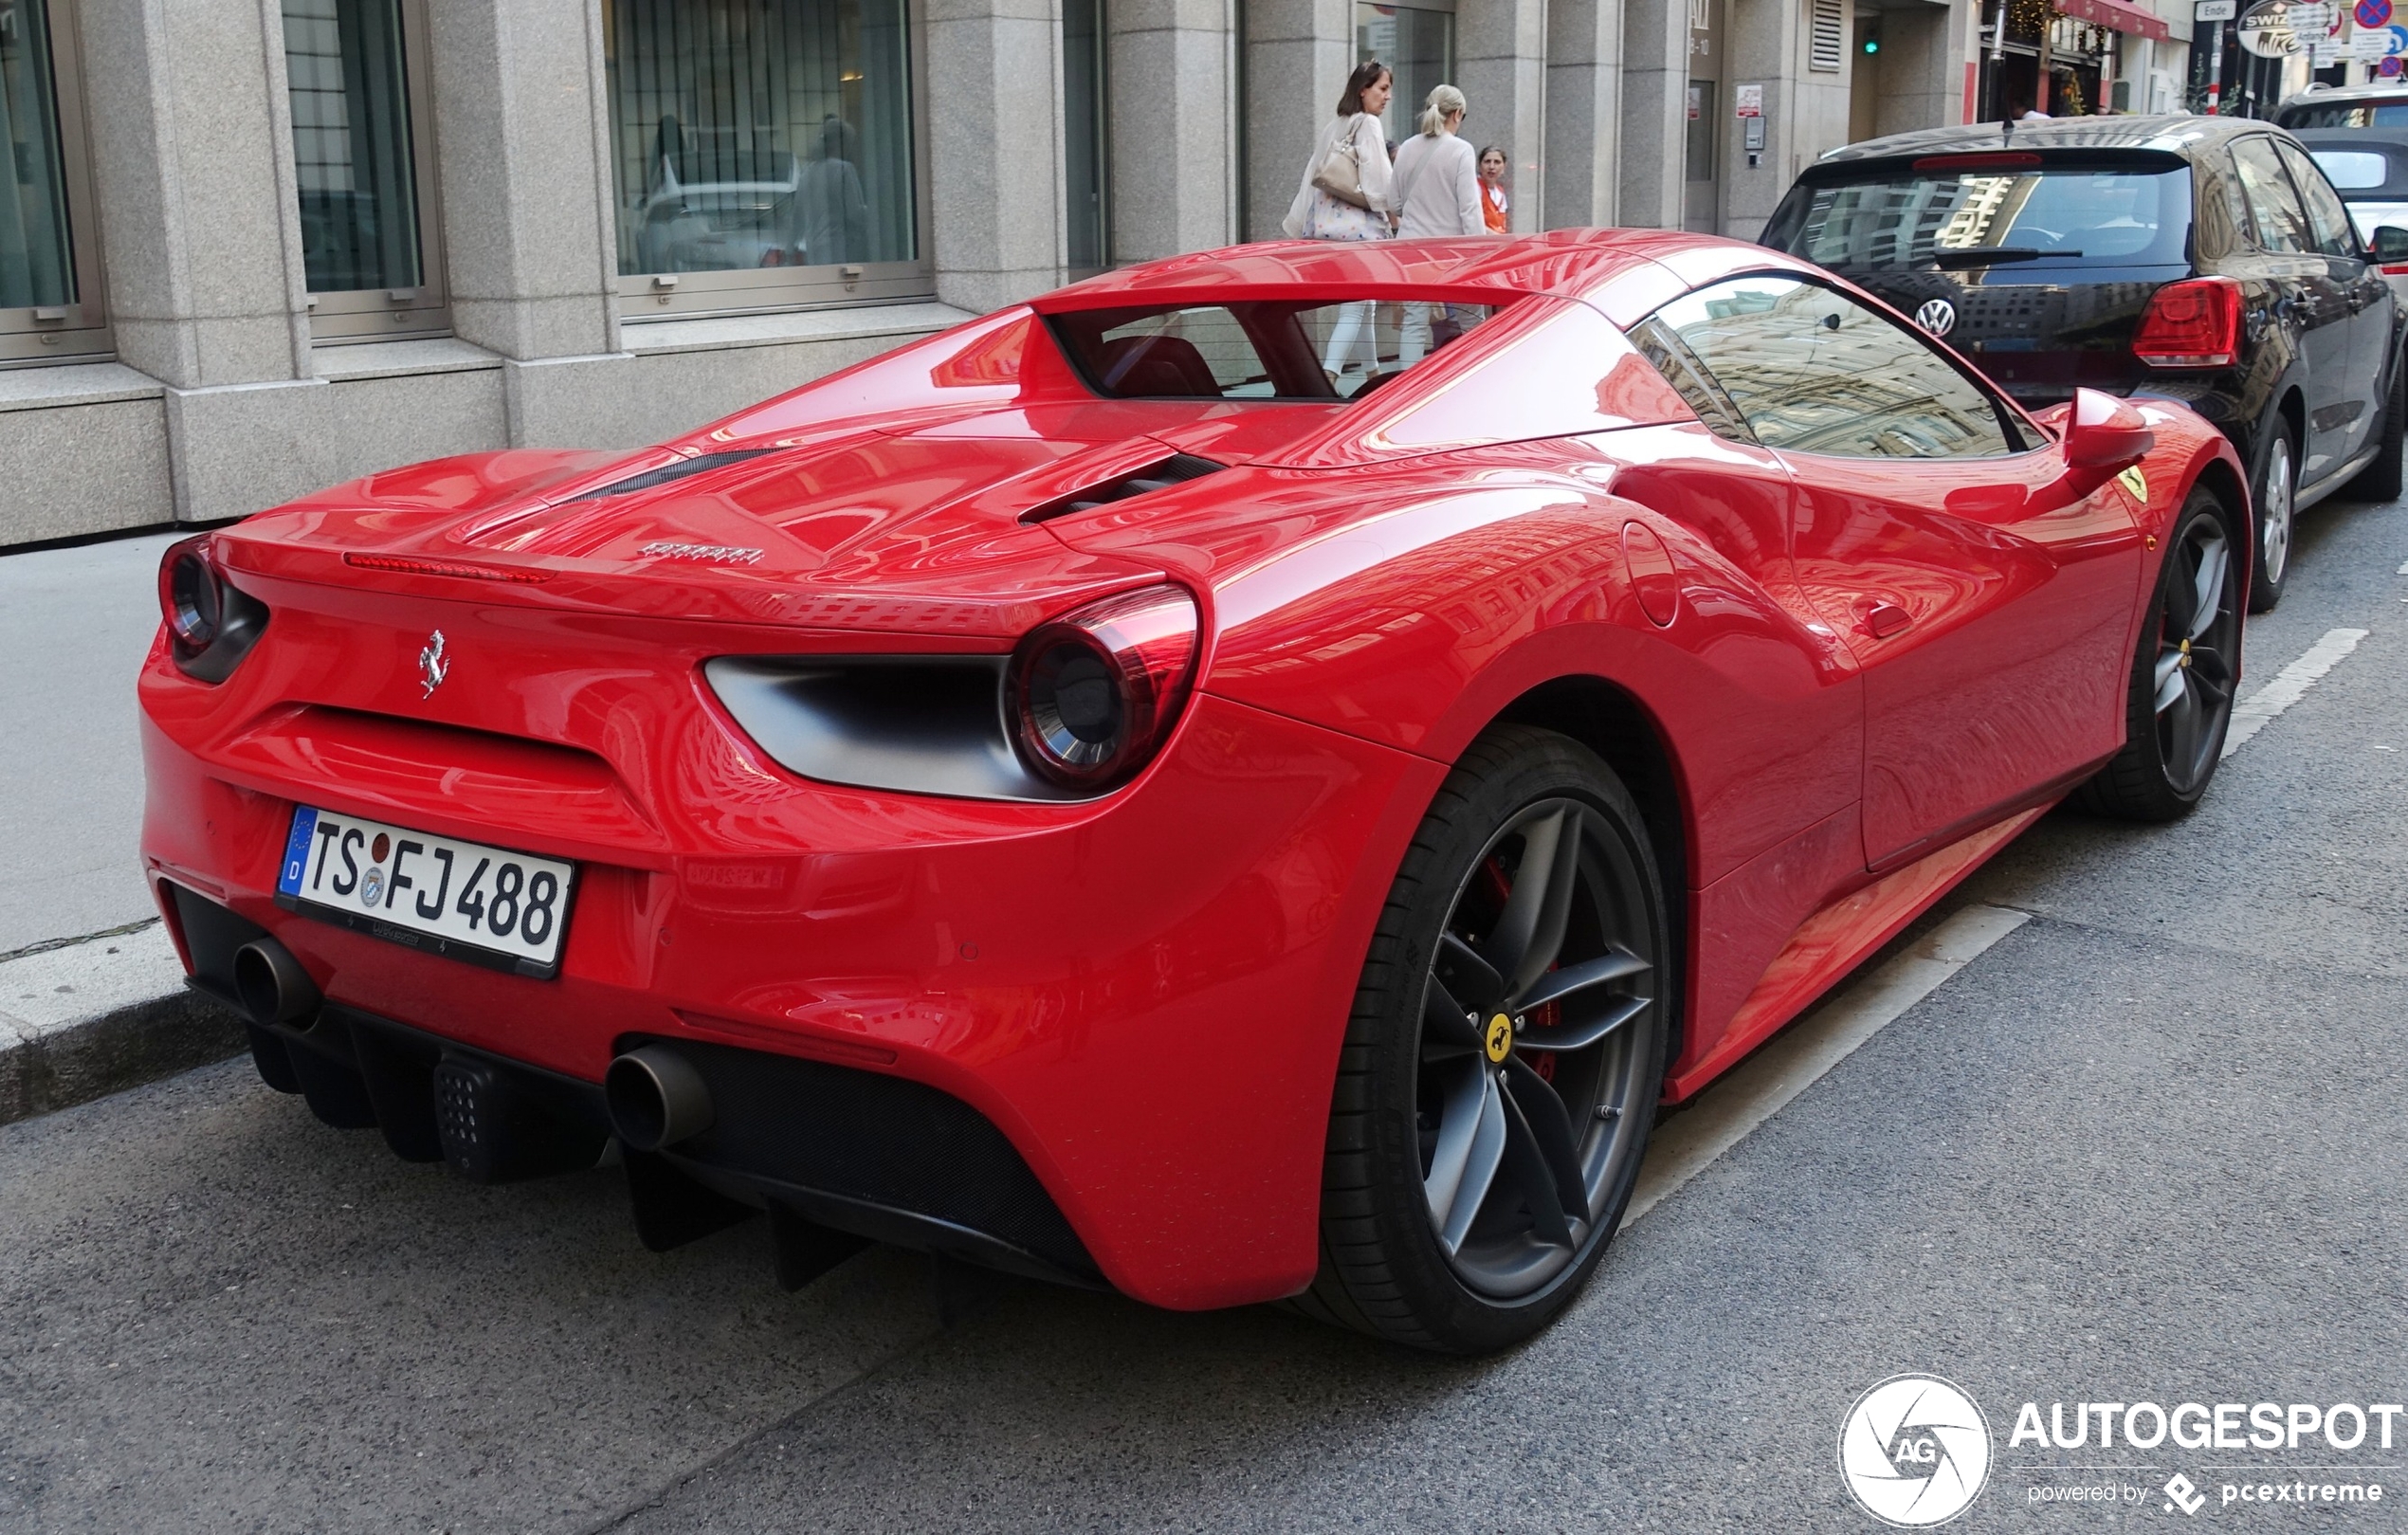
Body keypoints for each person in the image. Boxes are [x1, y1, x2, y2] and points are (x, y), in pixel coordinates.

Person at [1284, 61, 1396, 384]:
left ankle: (1372, 373)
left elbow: (1312, 175)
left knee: (1365, 305)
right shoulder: (1368, 124)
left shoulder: (1335, 125)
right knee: (1355, 308)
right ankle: (1328, 378)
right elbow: (1378, 177)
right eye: (1383, 88)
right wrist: (1392, 207)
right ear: (1364, 90)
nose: (1387, 97)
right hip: (1357, 231)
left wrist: (1298, 225)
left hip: (1328, 229)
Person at [1392, 85, 1484, 364]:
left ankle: (1405, 391)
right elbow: (1469, 209)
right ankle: (1471, 380)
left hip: (1411, 250)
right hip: (1453, 253)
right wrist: (1481, 249)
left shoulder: (1407, 147)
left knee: (1414, 322)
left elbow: (1394, 203)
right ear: (1457, 114)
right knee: (1472, 322)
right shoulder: (1461, 150)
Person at [1477, 145, 1510, 233]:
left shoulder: (1500, 191)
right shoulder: (1475, 188)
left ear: (1503, 167)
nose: (1492, 167)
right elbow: (1472, 222)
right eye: (1487, 162)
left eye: (1497, 162)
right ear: (1480, 166)